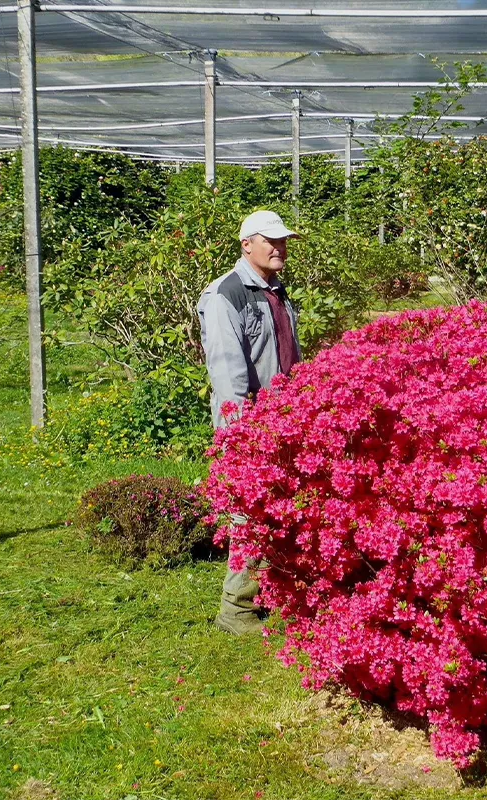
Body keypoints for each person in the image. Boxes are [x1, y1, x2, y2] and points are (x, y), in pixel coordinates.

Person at [197, 209, 302, 635]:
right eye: (270, 241)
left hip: (286, 421)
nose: (280, 248)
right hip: (252, 426)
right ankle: (235, 611)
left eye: (283, 241)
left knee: (281, 514)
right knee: (250, 517)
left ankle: (274, 595)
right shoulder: (227, 294)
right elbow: (228, 373)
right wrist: (243, 434)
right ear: (247, 245)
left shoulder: (276, 291)